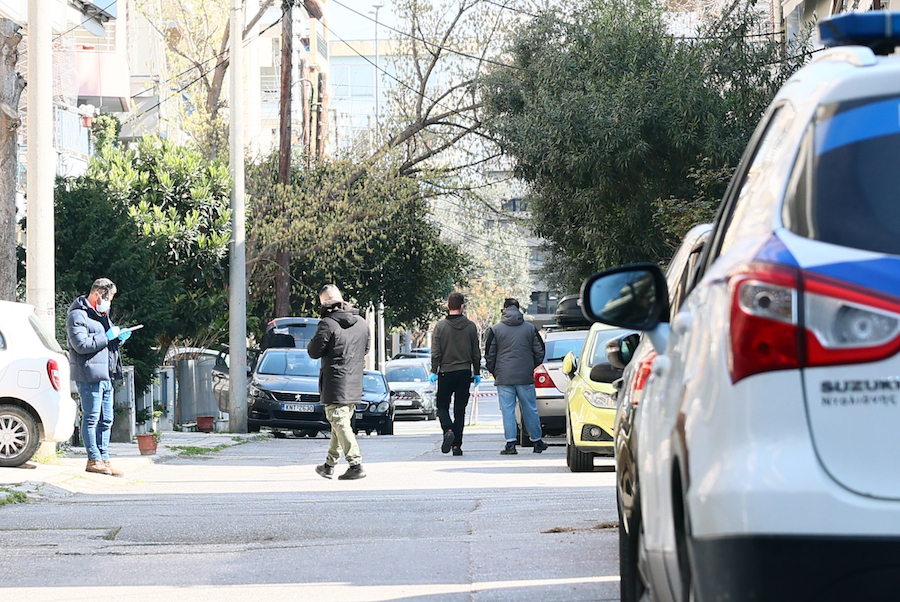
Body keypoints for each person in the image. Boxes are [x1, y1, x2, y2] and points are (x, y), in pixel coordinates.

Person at [66, 278, 133, 476]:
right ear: (98, 294)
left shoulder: (101, 315)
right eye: (109, 298)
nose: (109, 303)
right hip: (89, 375)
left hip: (106, 375)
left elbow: (106, 344)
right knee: (92, 418)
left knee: (107, 419)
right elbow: (81, 345)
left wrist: (119, 339)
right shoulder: (77, 315)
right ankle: (93, 459)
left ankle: (104, 458)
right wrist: (108, 336)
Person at [308, 284, 370, 480]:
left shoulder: (327, 324)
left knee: (339, 422)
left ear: (325, 302)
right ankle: (328, 465)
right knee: (339, 424)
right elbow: (366, 349)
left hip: (335, 383)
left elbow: (314, 351)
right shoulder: (362, 323)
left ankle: (355, 464)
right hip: (355, 383)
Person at [484, 298, 547, 455]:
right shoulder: (530, 328)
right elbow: (540, 351)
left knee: (508, 410)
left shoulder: (495, 329)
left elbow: (490, 355)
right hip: (525, 376)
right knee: (530, 409)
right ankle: (537, 441)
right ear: (518, 309)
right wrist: (530, 367)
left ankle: (510, 444)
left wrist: (495, 372)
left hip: (504, 376)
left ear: (504, 309)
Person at [430, 292, 481, 456]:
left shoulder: (440, 326)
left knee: (442, 406)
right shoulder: (471, 326)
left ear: (448, 306)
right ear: (462, 306)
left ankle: (448, 429)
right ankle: (457, 446)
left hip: (445, 372)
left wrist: (434, 370)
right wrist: (477, 371)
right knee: (460, 410)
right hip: (464, 372)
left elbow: (436, 352)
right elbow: (476, 352)